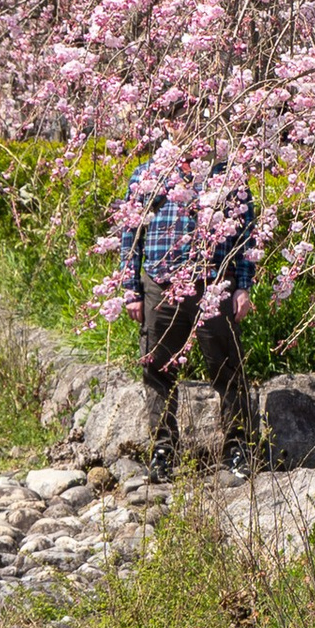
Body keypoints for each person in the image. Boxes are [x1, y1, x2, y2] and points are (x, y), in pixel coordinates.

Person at [114, 140, 259, 480]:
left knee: (226, 368)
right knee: (157, 369)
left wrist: (243, 286)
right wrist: (131, 289)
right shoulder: (148, 173)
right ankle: (163, 450)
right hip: (160, 283)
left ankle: (237, 449)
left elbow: (246, 237)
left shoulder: (228, 176)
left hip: (214, 282)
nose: (189, 133)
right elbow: (131, 233)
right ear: (167, 128)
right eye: (178, 123)